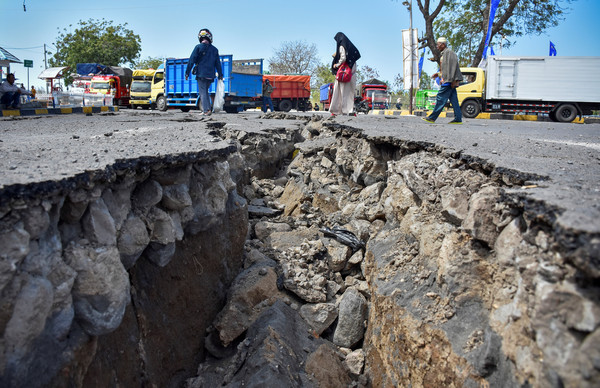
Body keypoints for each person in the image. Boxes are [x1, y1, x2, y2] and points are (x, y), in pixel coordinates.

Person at [422, 37, 463, 124]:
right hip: (449, 80)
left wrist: (452, 80)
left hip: (449, 81)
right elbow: (445, 68)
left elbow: (452, 67)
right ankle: (458, 119)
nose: (437, 46)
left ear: (443, 44)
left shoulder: (449, 53)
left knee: (440, 98)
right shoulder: (445, 53)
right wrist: (439, 75)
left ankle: (432, 118)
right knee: (454, 100)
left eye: (438, 45)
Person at [185, 28, 223, 115]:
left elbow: (191, 60)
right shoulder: (215, 50)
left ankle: (206, 110)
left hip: (201, 74)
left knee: (202, 92)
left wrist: (187, 72)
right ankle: (207, 109)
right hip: (211, 75)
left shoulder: (198, 47)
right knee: (205, 91)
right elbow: (218, 63)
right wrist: (220, 74)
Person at [329, 32, 361, 116]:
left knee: (339, 91)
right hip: (351, 73)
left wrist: (337, 65)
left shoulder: (341, 46)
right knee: (349, 93)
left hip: (343, 73)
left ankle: (336, 110)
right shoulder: (350, 48)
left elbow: (343, 58)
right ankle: (349, 110)